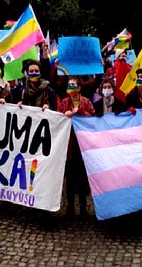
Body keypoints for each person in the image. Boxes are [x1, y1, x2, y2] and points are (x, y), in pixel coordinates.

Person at [58, 77, 95, 217]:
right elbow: (57, 119)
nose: (70, 87)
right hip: (69, 146)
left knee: (82, 178)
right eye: (69, 85)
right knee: (70, 179)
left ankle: (83, 207)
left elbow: (92, 118)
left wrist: (80, 112)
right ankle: (70, 207)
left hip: (82, 146)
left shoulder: (86, 102)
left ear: (79, 88)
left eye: (73, 85)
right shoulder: (64, 102)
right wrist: (64, 115)